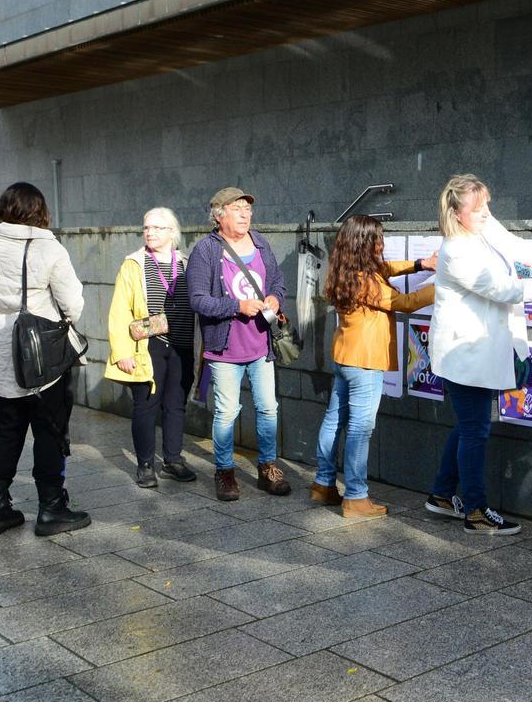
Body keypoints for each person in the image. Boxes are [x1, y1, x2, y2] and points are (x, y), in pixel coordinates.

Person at [425, 174, 532, 535]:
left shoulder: (482, 228)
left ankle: (441, 495)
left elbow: (520, 248)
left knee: (469, 425)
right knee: (475, 430)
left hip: (479, 350)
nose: (487, 212)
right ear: (456, 213)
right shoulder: (456, 251)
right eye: (478, 207)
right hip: (464, 353)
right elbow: (505, 289)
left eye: (487, 203)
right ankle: (475, 511)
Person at [312, 215, 436, 518]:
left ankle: (323, 484)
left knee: (334, 420)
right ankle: (355, 496)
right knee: (360, 428)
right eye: (378, 238)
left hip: (345, 357)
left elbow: (387, 269)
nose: (383, 243)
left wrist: (421, 264)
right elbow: (404, 302)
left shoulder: (345, 268)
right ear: (365, 242)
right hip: (365, 363)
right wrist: (444, 283)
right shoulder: (366, 281)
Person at [0, 182, 90, 537]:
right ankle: (51, 508)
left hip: (0, 352)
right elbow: (73, 304)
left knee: (4, 430)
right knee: (49, 430)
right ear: (39, 212)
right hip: (44, 358)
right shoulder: (49, 248)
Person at [186, 187, 290, 502]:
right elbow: (198, 300)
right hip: (225, 348)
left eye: (248, 209)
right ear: (219, 215)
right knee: (227, 412)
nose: (245, 214)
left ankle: (268, 467)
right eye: (237, 209)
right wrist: (236, 306)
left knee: (268, 408)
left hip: (261, 344)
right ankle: (225, 471)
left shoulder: (260, 243)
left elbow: (277, 282)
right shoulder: (205, 250)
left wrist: (275, 297)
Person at [105, 207, 198, 488]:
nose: (150, 232)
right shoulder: (134, 264)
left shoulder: (186, 262)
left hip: (182, 346)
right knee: (145, 405)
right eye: (146, 227)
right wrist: (121, 352)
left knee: (176, 406)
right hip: (148, 346)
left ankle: (172, 459)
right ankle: (145, 464)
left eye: (157, 227)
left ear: (172, 232)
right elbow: (119, 310)